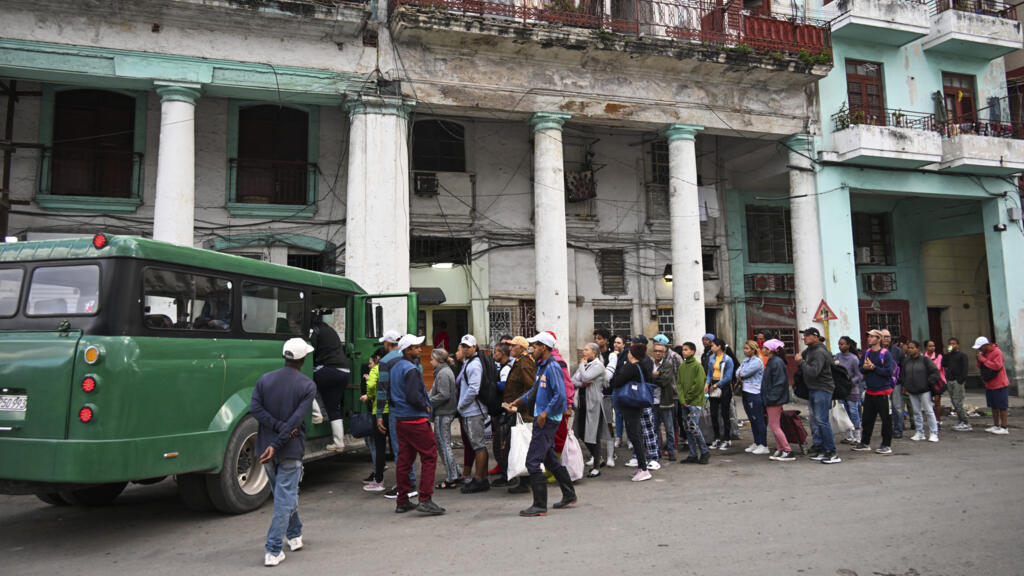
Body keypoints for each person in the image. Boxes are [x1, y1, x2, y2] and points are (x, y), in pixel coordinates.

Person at [250, 338, 317, 567]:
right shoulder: (307, 385)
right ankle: (273, 548)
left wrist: (274, 435)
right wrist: (280, 437)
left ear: (285, 356)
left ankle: (295, 535)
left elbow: (255, 409)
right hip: (288, 448)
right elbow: (294, 422)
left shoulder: (265, 380)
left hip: (266, 447)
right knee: (284, 499)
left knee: (284, 495)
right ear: (303, 359)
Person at [510, 332, 577, 516]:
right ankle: (569, 495)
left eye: (536, 346)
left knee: (532, 462)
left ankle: (540, 505)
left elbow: (560, 396)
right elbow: (534, 389)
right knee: (550, 460)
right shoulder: (541, 366)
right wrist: (520, 400)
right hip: (544, 418)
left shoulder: (553, 367)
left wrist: (545, 413)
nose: (532, 349)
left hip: (547, 421)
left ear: (545, 348)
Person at [389, 334, 445, 515]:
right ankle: (425, 499)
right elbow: (414, 396)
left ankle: (402, 500)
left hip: (401, 419)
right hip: (415, 419)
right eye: (416, 347)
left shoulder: (396, 367)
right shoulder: (411, 369)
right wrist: (426, 407)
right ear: (407, 350)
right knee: (429, 457)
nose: (420, 349)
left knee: (404, 460)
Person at [375, 330, 416, 499]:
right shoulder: (408, 358)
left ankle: (404, 485)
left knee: (399, 448)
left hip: (396, 410)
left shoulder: (385, 361)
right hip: (413, 409)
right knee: (410, 447)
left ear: (387, 344)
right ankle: (410, 481)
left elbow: (382, 389)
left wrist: (379, 414)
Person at [609, 342, 656, 481]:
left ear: (633, 354)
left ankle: (643, 469)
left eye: (630, 351)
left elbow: (616, 382)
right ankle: (641, 468)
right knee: (636, 435)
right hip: (636, 404)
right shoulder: (642, 365)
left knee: (635, 435)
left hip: (631, 405)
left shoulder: (631, 367)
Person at [795, 327, 840, 464]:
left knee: (822, 420)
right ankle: (821, 449)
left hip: (822, 389)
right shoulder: (809, 351)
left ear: (816, 337)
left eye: (808, 335)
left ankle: (831, 452)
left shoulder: (820, 352)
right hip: (813, 389)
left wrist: (800, 362)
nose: (805, 338)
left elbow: (814, 372)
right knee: (815, 420)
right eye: (804, 335)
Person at [500, 336, 536, 493]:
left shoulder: (525, 363)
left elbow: (530, 387)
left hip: (523, 411)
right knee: (518, 444)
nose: (510, 349)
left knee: (523, 445)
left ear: (522, 348)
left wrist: (518, 404)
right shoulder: (519, 361)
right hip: (517, 409)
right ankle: (525, 479)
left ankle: (527, 481)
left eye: (514, 346)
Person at [309, 311, 349, 452]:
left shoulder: (314, 330)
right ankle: (339, 443)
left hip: (329, 369)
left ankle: (317, 415)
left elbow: (310, 350)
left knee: (303, 381)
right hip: (344, 371)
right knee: (334, 407)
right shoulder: (330, 329)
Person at [456, 334, 491, 493]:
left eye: (468, 346)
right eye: (463, 346)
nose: (465, 349)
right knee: (478, 445)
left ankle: (479, 480)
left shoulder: (474, 365)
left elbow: (473, 389)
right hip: (471, 410)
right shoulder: (469, 363)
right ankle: (481, 478)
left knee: (478, 445)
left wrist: (462, 405)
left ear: (474, 347)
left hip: (474, 411)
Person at [853, 329, 896, 454]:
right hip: (870, 391)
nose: (869, 339)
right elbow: (861, 369)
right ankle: (865, 443)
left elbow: (888, 372)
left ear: (879, 339)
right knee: (867, 419)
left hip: (883, 392)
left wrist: (874, 368)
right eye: (869, 336)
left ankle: (886, 445)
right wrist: (866, 368)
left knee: (886, 420)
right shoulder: (866, 353)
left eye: (872, 337)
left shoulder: (885, 354)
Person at [572, 342, 607, 476]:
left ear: (594, 353)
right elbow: (573, 380)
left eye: (587, 350)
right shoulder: (586, 365)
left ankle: (597, 466)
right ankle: (598, 458)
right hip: (581, 403)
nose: (584, 352)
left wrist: (581, 365)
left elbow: (586, 376)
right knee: (579, 433)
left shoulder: (598, 366)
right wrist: (582, 383)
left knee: (593, 436)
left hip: (593, 404)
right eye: (584, 349)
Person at [428, 348, 460, 490]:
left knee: (444, 444)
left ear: (438, 360)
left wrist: (427, 402)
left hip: (444, 413)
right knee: (443, 444)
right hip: (444, 412)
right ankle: (455, 472)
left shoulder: (443, 373)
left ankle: (451, 477)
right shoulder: (444, 372)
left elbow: (443, 395)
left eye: (432, 359)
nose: (430, 361)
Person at [899, 340, 940, 443]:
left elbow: (935, 372)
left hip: (924, 390)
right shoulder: (906, 361)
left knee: (929, 411)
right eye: (908, 348)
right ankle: (919, 432)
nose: (910, 350)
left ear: (918, 348)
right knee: (916, 412)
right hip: (912, 390)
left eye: (912, 348)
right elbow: (903, 374)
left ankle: (934, 433)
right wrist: (905, 385)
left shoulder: (925, 360)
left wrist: (927, 382)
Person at [677, 341, 710, 464]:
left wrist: (687, 399)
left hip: (695, 402)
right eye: (683, 350)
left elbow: (698, 385)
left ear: (692, 351)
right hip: (685, 402)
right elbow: (679, 384)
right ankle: (692, 454)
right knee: (687, 428)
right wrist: (682, 399)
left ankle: (705, 451)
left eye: (686, 349)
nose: (683, 352)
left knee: (693, 427)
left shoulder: (697, 366)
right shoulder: (682, 367)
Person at [761, 339, 794, 461]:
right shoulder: (773, 361)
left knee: (774, 425)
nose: (762, 349)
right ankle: (780, 449)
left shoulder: (776, 362)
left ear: (770, 350)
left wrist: (771, 397)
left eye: (764, 347)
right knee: (775, 424)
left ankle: (787, 450)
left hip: (774, 399)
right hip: (773, 398)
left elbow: (779, 383)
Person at [362, 349, 390, 492]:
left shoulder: (376, 369)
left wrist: (370, 395)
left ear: (378, 358)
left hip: (378, 411)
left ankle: (378, 480)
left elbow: (371, 386)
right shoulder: (392, 368)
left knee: (379, 446)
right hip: (392, 410)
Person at [652, 334, 681, 461]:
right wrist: (655, 376)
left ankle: (670, 450)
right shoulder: (651, 364)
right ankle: (656, 451)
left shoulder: (667, 365)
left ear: (664, 353)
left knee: (669, 427)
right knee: (655, 428)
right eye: (656, 351)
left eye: (660, 351)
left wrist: (654, 377)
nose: (658, 353)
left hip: (666, 401)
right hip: (653, 401)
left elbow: (665, 381)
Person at [737, 340, 769, 455]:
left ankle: (763, 444)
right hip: (746, 391)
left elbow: (744, 373)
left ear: (753, 350)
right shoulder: (746, 360)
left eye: (747, 348)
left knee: (758, 419)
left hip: (754, 392)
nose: (745, 351)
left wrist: (741, 373)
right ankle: (756, 442)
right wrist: (740, 373)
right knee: (752, 419)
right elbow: (738, 372)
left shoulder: (757, 362)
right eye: (744, 348)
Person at [973, 337, 1010, 435]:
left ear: (986, 345)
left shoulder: (997, 352)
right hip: (989, 383)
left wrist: (983, 360)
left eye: (980, 347)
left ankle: (1004, 427)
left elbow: (997, 366)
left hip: (999, 383)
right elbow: (980, 366)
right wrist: (979, 359)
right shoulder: (984, 353)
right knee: (993, 406)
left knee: (1002, 406)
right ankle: (996, 425)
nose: (979, 349)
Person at [705, 338, 735, 451]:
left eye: (713, 345)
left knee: (725, 413)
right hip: (713, 386)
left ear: (719, 347)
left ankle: (727, 439)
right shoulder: (711, 358)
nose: (711, 347)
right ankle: (717, 438)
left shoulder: (728, 359)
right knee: (713, 413)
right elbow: (709, 373)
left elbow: (728, 377)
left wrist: (717, 385)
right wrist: (707, 384)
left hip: (724, 387)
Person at [836, 336, 865, 446]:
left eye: (842, 344)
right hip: (841, 390)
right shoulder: (837, 357)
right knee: (844, 413)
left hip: (852, 390)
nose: (840, 346)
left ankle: (858, 435)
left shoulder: (853, 358)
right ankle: (849, 435)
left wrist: (849, 382)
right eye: (839, 344)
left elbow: (859, 375)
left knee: (853, 412)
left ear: (848, 345)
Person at [881, 329, 906, 438]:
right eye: (884, 336)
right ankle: (887, 429)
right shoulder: (876, 350)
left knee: (897, 407)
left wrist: (904, 383)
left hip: (896, 383)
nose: (886, 339)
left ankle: (898, 429)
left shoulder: (897, 351)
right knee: (884, 408)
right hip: (882, 383)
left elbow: (903, 367)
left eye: (888, 336)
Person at [942, 338, 971, 431]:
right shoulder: (949, 356)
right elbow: (944, 364)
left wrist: (960, 380)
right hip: (950, 380)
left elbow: (965, 369)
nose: (952, 345)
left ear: (958, 345)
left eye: (954, 344)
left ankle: (966, 422)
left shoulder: (962, 355)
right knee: (954, 402)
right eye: (950, 344)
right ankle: (960, 420)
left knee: (958, 401)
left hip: (957, 381)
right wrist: (946, 354)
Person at [607, 334, 628, 451]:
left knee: (627, 414)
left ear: (624, 345)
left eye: (619, 343)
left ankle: (629, 439)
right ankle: (619, 438)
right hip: (615, 388)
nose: (616, 344)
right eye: (615, 342)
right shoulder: (612, 355)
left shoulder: (627, 355)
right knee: (618, 414)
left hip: (625, 389)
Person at [924, 340, 945, 427]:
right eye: (930, 346)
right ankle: (932, 420)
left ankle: (938, 420)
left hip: (937, 381)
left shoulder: (938, 356)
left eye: (933, 346)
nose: (932, 348)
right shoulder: (923, 357)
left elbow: (937, 367)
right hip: (927, 381)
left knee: (937, 401)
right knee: (928, 403)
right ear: (926, 347)